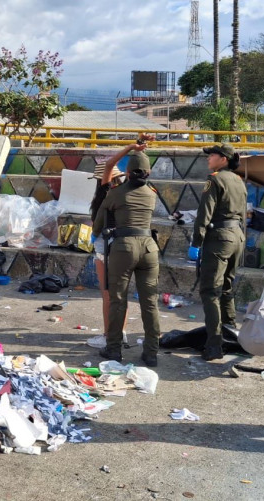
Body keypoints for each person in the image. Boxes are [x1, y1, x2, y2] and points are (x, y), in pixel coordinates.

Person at [92, 145, 161, 366]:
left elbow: (98, 225)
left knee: (117, 300)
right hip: (149, 248)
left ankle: (113, 349)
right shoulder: (151, 194)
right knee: (150, 302)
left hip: (123, 248)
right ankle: (151, 353)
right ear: (148, 174)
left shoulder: (115, 193)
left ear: (128, 173)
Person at [188, 142, 245, 361]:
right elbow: (243, 213)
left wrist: (196, 242)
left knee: (210, 291)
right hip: (237, 236)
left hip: (220, 238)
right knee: (227, 287)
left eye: (212, 155)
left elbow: (204, 214)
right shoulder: (239, 181)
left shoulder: (215, 179)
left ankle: (214, 345)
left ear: (223, 159)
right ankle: (231, 334)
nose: (208, 158)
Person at [85, 148, 134, 350]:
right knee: (121, 294)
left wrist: (130, 148)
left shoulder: (105, 195)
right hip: (125, 246)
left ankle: (108, 336)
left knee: (107, 295)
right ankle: (120, 333)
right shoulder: (127, 196)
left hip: (105, 247)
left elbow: (107, 168)